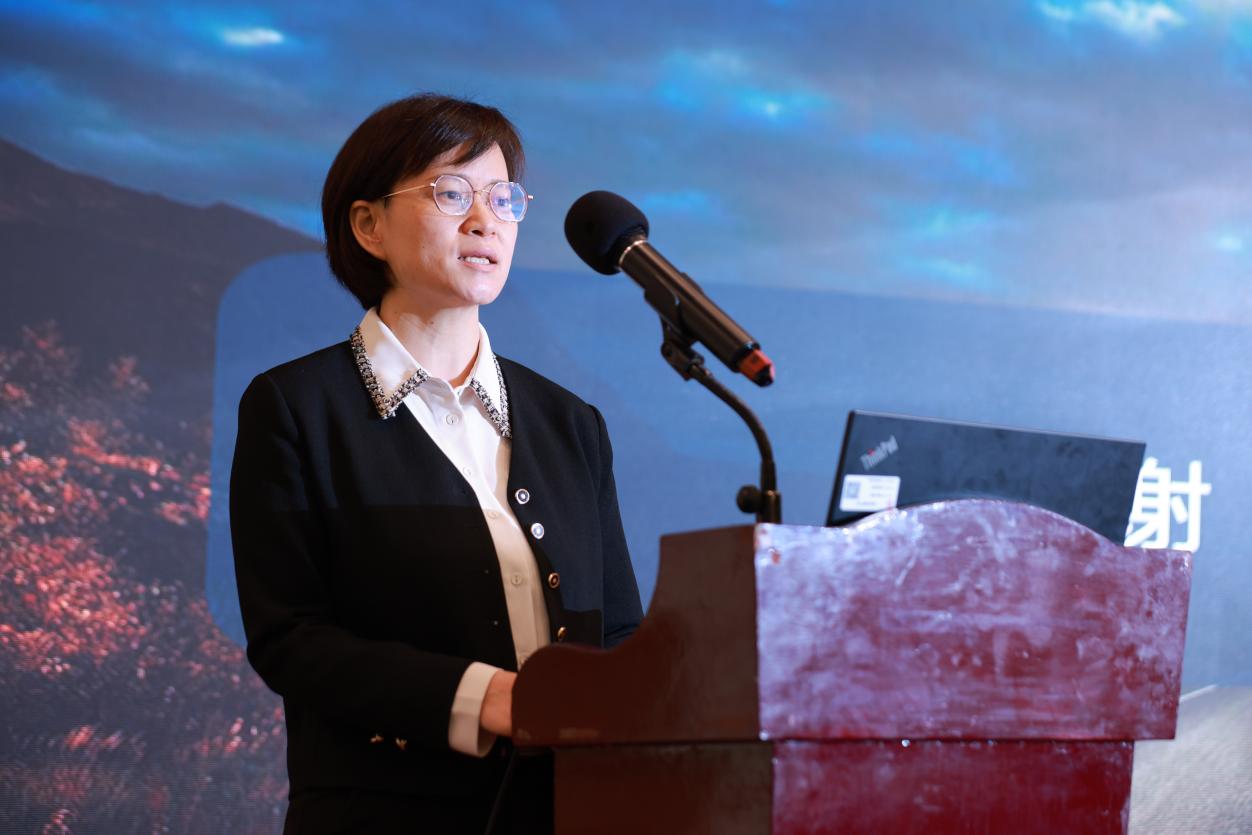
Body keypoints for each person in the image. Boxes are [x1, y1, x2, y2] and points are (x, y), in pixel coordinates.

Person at [229, 93, 644, 835]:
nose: (486, 220)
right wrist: (487, 698)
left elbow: (617, 633)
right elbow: (291, 637)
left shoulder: (571, 422)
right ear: (369, 226)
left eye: (503, 198)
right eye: (452, 192)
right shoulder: (295, 408)